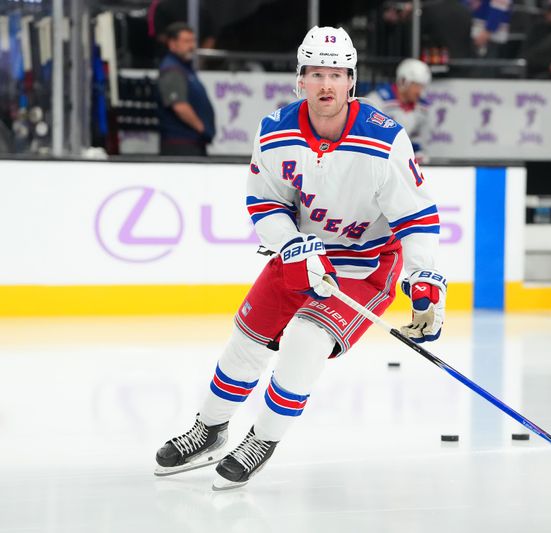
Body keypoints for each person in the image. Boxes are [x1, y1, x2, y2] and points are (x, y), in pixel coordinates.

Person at [154, 26, 446, 490]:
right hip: (302, 252)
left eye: (336, 73)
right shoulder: (274, 131)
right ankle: (210, 428)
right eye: (315, 73)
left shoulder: (385, 138)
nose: (326, 84)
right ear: (300, 79)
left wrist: (424, 276)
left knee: (306, 340)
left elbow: (416, 215)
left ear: (351, 80)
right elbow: (264, 203)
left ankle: (262, 439)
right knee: (247, 337)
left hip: (366, 264)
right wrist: (291, 243)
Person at [156, 22, 216, 156]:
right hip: (180, 145)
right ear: (172, 44)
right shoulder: (172, 70)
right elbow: (179, 106)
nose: (192, 46)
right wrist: (202, 129)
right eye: (186, 41)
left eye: (193, 41)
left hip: (191, 143)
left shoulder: (184, 68)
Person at [365, 58, 431, 162]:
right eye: (416, 85)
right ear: (403, 81)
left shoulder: (422, 108)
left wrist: (418, 154)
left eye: (422, 86)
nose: (420, 91)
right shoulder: (377, 101)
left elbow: (415, 139)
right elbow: (366, 134)